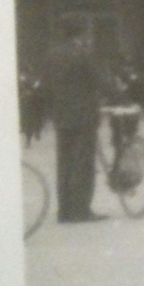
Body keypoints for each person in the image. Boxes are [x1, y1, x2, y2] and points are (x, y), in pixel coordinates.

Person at [39, 18, 106, 223]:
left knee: (65, 162)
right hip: (84, 116)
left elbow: (45, 87)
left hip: (62, 116)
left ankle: (65, 211)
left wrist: (52, 111)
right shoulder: (82, 54)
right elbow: (100, 79)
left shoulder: (52, 55)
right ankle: (81, 210)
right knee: (83, 163)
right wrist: (123, 98)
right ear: (82, 33)